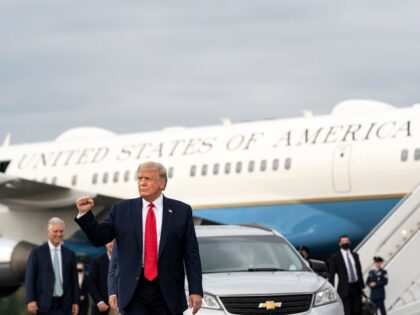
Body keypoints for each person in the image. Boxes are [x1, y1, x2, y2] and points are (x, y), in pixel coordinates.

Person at [75, 161, 203, 315]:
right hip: (133, 290)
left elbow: (191, 254)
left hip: (168, 291)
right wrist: (85, 215)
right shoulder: (121, 209)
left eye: (147, 179)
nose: (142, 183)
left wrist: (195, 290)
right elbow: (99, 238)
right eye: (139, 178)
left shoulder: (181, 211)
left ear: (162, 183)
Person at [24, 217, 80, 315]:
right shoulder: (37, 253)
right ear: (48, 232)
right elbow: (30, 278)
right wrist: (30, 299)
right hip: (43, 304)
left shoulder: (70, 254)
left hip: (65, 305)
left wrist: (76, 301)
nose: (59, 234)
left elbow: (74, 280)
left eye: (61, 231)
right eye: (55, 231)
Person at [328, 235, 365, 315]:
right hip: (344, 289)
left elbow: (359, 272)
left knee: (358, 310)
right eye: (343, 241)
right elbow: (331, 275)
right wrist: (332, 290)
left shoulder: (355, 255)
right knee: (348, 311)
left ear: (350, 242)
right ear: (340, 243)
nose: (345, 243)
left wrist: (362, 287)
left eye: (347, 241)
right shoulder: (335, 257)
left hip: (356, 287)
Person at [88, 241, 115, 314]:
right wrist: (99, 301)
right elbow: (91, 283)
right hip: (103, 307)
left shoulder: (126, 261)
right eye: (110, 241)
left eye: (114, 241)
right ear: (105, 243)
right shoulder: (97, 261)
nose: (112, 244)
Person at [108, 241, 121, 313]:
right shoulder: (119, 241)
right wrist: (112, 293)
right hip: (123, 294)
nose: (111, 244)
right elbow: (113, 269)